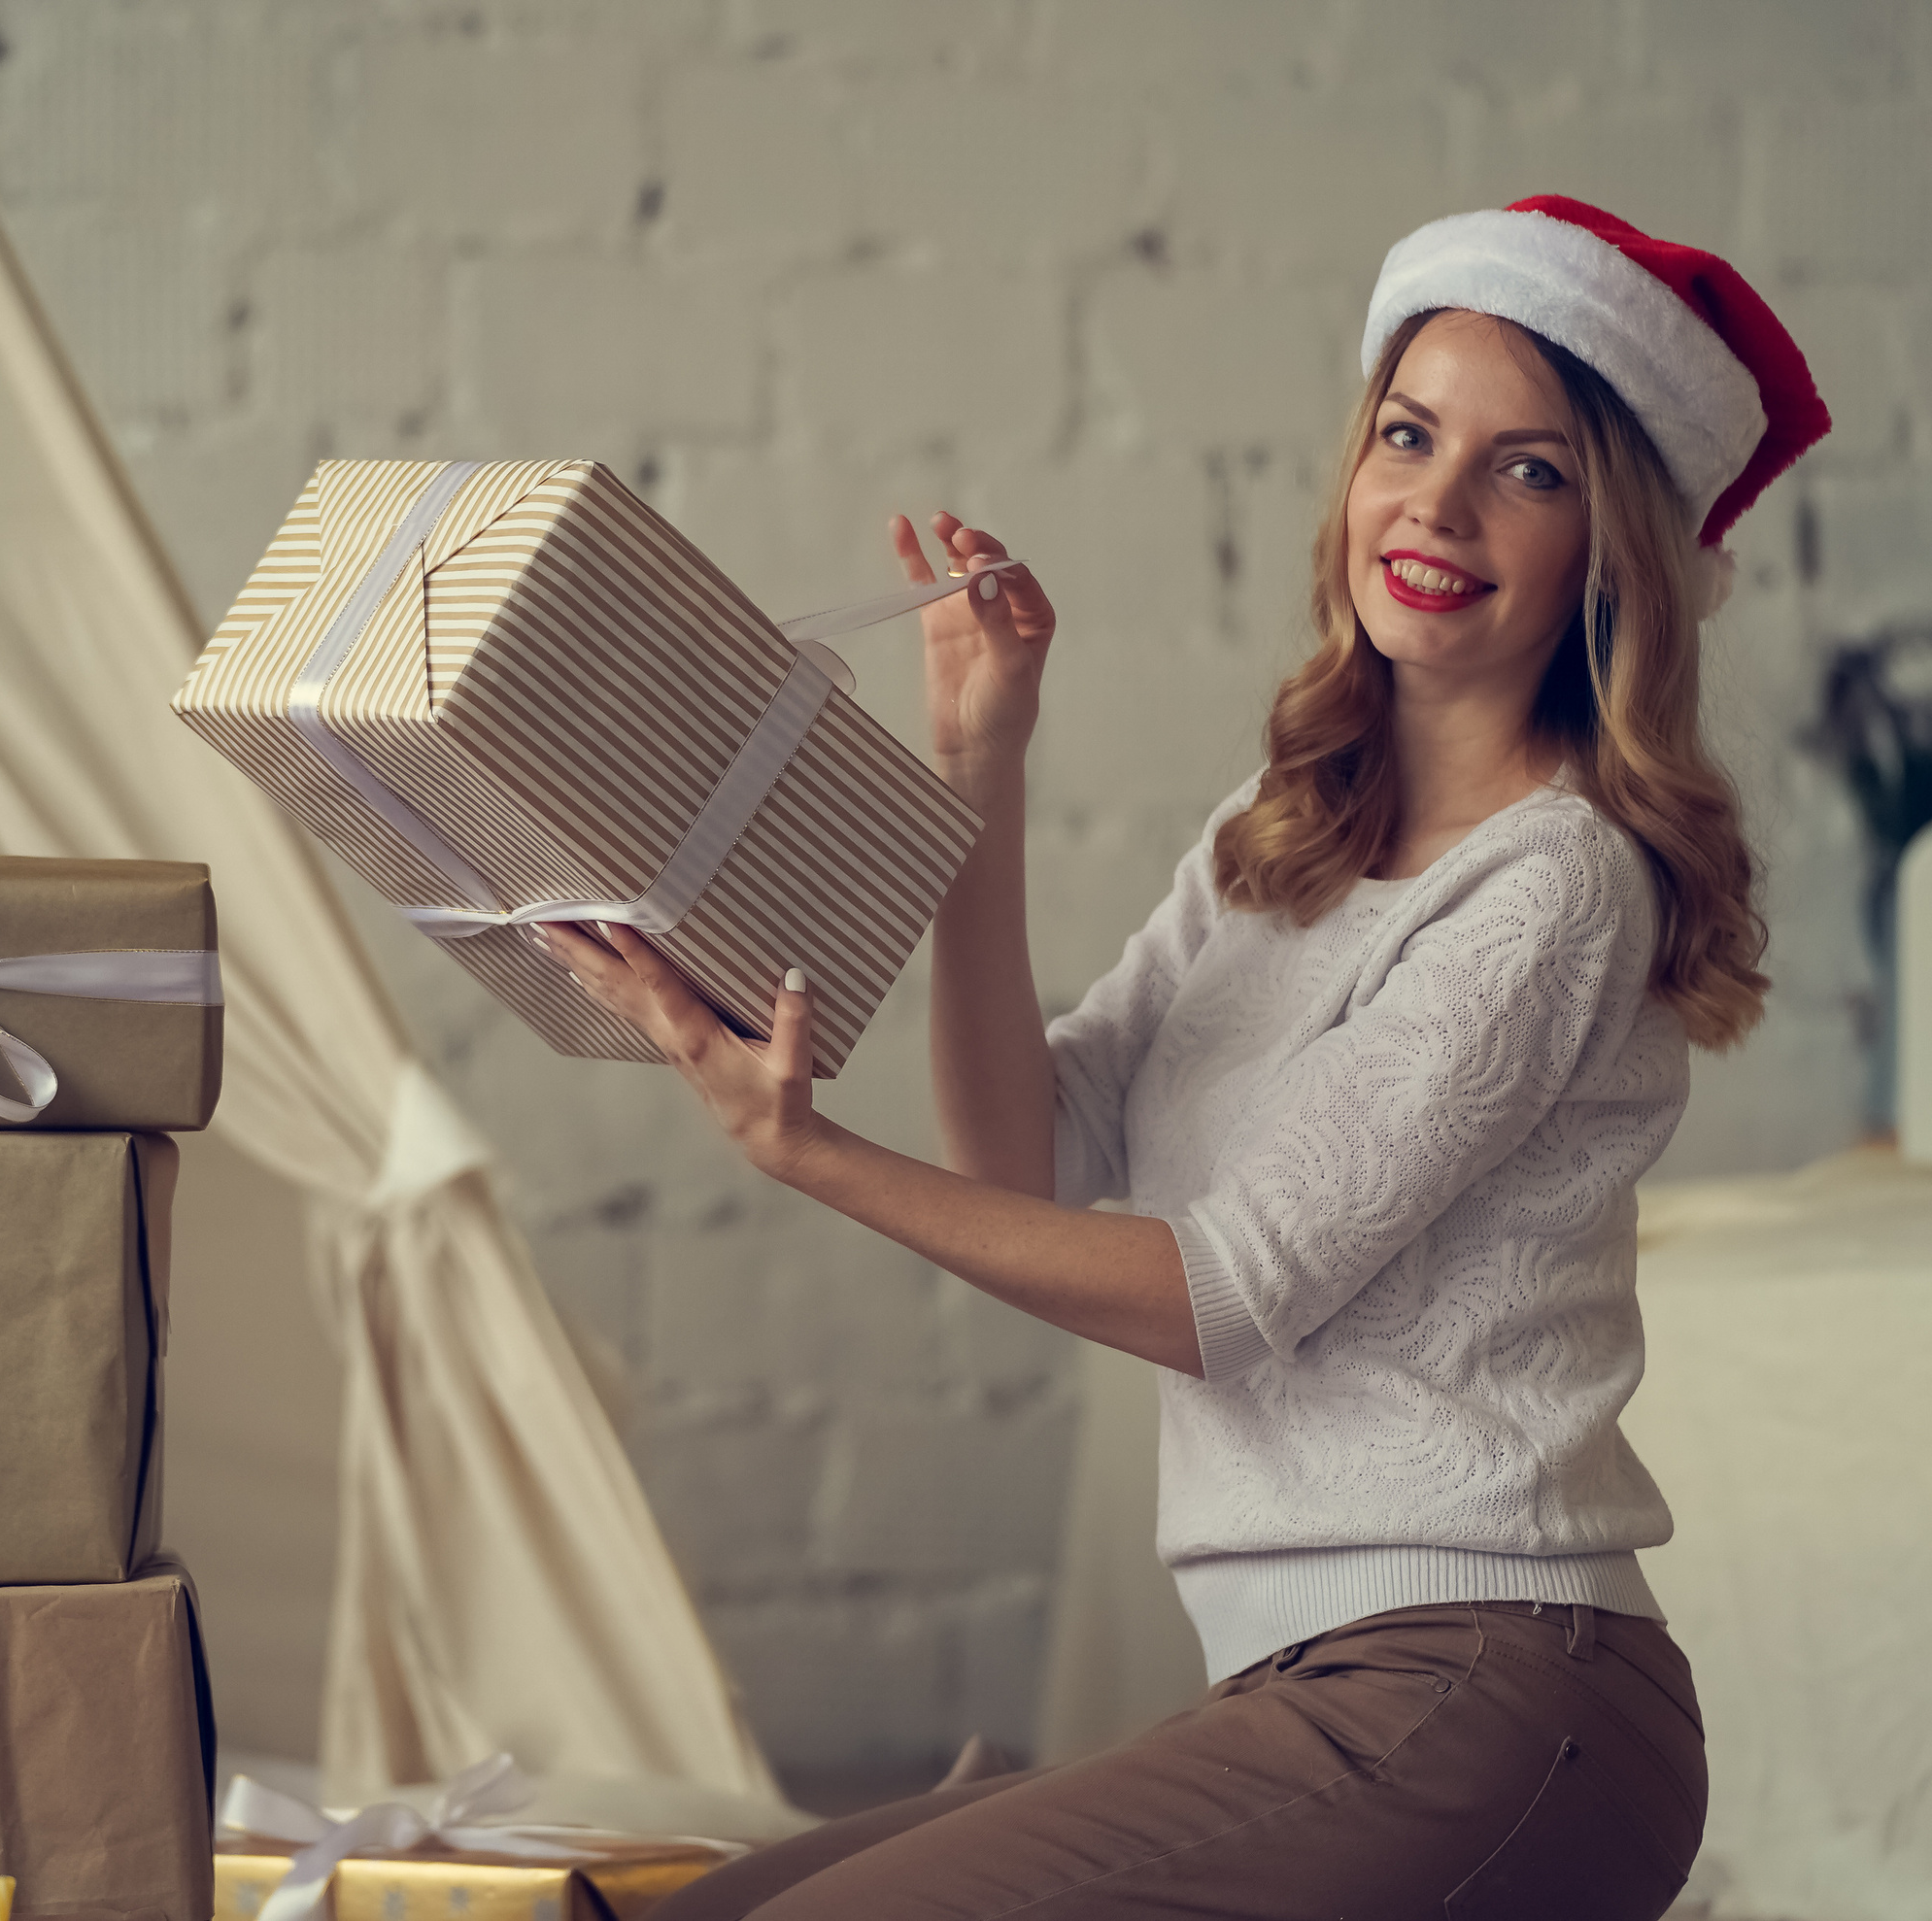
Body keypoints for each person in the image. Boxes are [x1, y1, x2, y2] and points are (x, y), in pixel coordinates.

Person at [540, 196, 1831, 1919]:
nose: (1434, 506)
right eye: (1407, 435)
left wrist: (809, 1156)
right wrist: (978, 765)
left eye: (1528, 471)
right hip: (1316, 1685)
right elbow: (1029, 1160)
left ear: (1619, 549)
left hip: (1505, 1698)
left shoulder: (1563, 881)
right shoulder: (1283, 829)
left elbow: (1220, 1292)